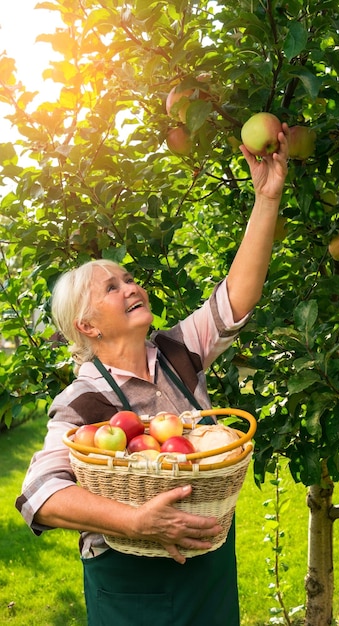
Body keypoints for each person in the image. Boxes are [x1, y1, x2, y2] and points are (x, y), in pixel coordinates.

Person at [16, 123, 289, 626]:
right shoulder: (84, 401)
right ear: (87, 325)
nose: (129, 287)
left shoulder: (176, 350)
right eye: (111, 288)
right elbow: (40, 495)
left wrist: (266, 198)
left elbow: (236, 298)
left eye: (128, 279)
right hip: (131, 584)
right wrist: (138, 521)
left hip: (206, 568)